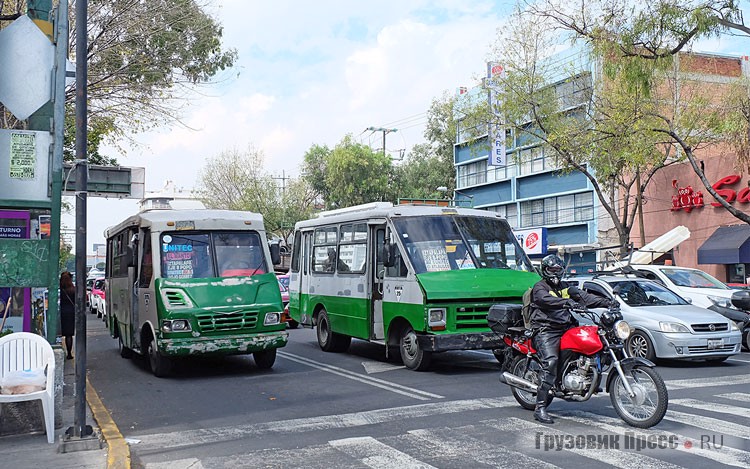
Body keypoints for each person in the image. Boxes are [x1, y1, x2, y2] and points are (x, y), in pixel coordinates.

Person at [528, 254, 612, 424]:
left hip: (565, 326)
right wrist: (565, 303)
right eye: (552, 270)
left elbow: (583, 297)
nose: (556, 273)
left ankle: (585, 378)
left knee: (594, 343)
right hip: (546, 330)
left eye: (558, 270)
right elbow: (545, 300)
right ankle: (540, 408)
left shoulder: (566, 287)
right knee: (550, 362)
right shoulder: (540, 287)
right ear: (545, 271)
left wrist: (608, 302)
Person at [59, 271, 75, 360]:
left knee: (64, 334)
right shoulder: (72, 290)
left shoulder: (60, 290)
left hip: (61, 312)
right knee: (69, 335)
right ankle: (69, 353)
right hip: (71, 313)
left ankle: (66, 351)